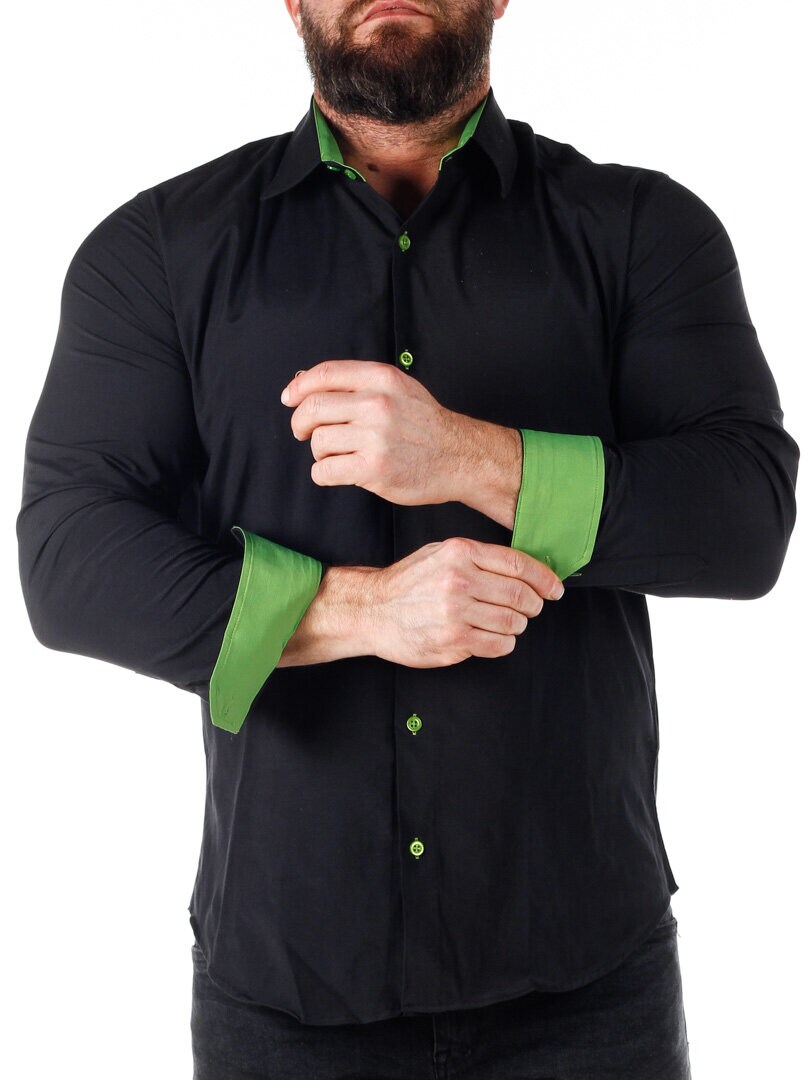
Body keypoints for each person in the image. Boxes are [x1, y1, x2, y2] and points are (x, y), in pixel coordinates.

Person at [16, 1, 799, 1077]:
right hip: (287, 990)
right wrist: (365, 609)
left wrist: (471, 458)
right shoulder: (158, 251)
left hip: (586, 982)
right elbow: (68, 559)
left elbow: (746, 516)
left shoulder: (642, 230)